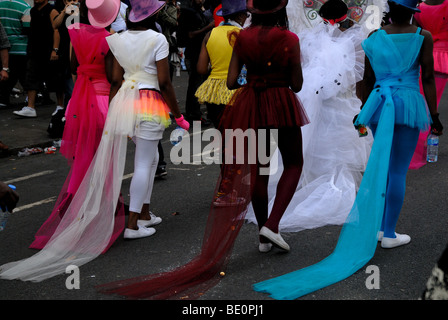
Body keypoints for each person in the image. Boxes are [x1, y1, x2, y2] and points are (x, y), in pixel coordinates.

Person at [97, 0, 309, 300]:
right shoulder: (289, 39)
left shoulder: (243, 37)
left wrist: (256, 80)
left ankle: (263, 234)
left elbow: (233, 80)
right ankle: (272, 224)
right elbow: (297, 84)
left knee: (259, 168)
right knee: (294, 164)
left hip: (252, 102)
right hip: (281, 101)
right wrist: (279, 80)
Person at [253, 0, 444, 300]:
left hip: (381, 103)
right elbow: (429, 78)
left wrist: (364, 113)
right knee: (396, 170)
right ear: (412, 12)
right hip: (408, 103)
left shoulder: (373, 39)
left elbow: (366, 82)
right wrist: (434, 116)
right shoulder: (423, 36)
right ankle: (388, 232)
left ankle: (381, 227)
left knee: (381, 165)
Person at [0, 0, 190, 282]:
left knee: (147, 160)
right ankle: (135, 222)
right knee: (144, 162)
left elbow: (115, 78)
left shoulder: (116, 40)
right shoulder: (158, 38)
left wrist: (115, 109)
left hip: (126, 101)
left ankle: (144, 215)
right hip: (150, 101)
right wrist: (179, 116)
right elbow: (164, 82)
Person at [245, 0, 373, 233]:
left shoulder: (308, 39)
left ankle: (305, 187)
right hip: (342, 102)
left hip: (315, 102)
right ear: (345, 17)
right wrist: (362, 105)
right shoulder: (355, 39)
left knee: (313, 145)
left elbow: (301, 72)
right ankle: (331, 188)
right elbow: (358, 78)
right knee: (339, 150)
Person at [29, 0, 125, 250]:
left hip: (80, 102)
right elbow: (114, 79)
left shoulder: (75, 33)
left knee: (83, 158)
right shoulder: (110, 39)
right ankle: (104, 214)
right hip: (102, 101)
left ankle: (75, 210)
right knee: (103, 160)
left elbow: (73, 66)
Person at [195, 0, 248, 128]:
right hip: (238, 91)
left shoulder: (210, 34)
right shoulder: (244, 35)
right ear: (240, 16)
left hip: (214, 93)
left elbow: (201, 69)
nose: (247, 17)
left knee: (222, 137)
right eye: (246, 14)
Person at [409, 0, 448, 169]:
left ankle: (416, 151)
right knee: (429, 106)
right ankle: (418, 153)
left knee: (424, 104)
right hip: (443, 57)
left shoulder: (419, 8)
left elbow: (416, 34)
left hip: (424, 57)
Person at [12, 0, 64, 118]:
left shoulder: (52, 11)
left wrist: (55, 50)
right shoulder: (33, 11)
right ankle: (30, 107)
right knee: (31, 77)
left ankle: (60, 106)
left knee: (56, 79)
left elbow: (56, 30)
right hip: (35, 50)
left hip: (48, 50)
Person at [177, 0, 214, 125]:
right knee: (195, 85)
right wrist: (208, 28)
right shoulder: (189, 12)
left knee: (198, 83)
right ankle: (194, 115)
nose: (202, 0)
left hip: (200, 53)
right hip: (194, 54)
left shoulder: (200, 10)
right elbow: (191, 34)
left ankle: (196, 113)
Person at [0, 0, 31, 107]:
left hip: (3, 48)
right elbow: (27, 26)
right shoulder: (24, 6)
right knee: (22, 74)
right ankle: (33, 97)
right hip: (20, 47)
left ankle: (3, 99)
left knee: (6, 74)